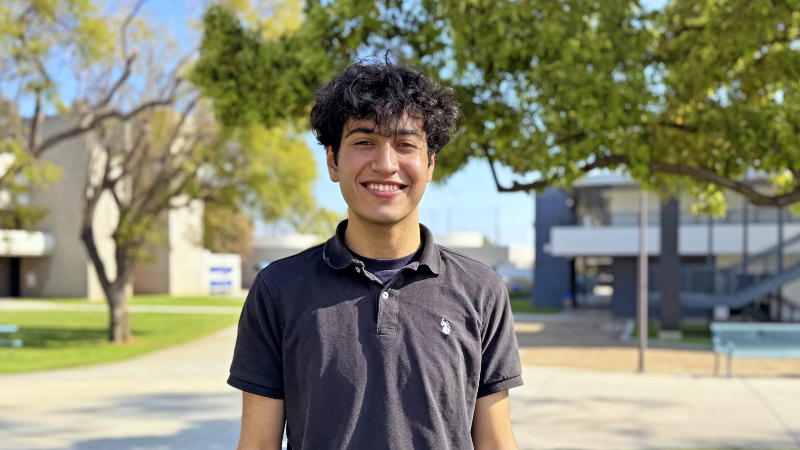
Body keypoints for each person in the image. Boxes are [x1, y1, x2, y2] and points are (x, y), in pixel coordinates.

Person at [229, 57, 523, 450]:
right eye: (364, 142)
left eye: (405, 144)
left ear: (430, 163)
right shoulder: (277, 290)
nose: (386, 165)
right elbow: (258, 444)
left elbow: (496, 442)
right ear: (333, 161)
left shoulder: (482, 291)